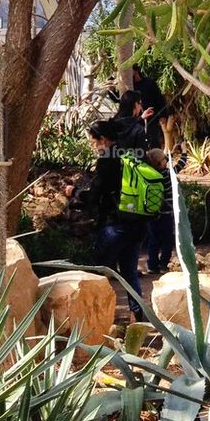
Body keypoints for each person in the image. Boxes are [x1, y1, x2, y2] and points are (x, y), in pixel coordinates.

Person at [79, 122, 146, 319]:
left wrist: (75, 193)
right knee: (129, 272)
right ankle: (136, 317)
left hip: (114, 225)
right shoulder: (131, 156)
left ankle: (95, 319)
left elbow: (95, 195)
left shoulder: (107, 161)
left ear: (103, 139)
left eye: (93, 142)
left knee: (97, 271)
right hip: (138, 223)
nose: (93, 146)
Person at [145, 148, 175, 274]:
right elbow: (180, 165)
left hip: (153, 213)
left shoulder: (150, 174)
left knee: (153, 240)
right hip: (166, 213)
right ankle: (163, 265)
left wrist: (171, 153)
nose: (166, 161)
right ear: (159, 163)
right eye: (164, 159)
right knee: (167, 240)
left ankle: (152, 265)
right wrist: (183, 152)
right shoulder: (167, 174)